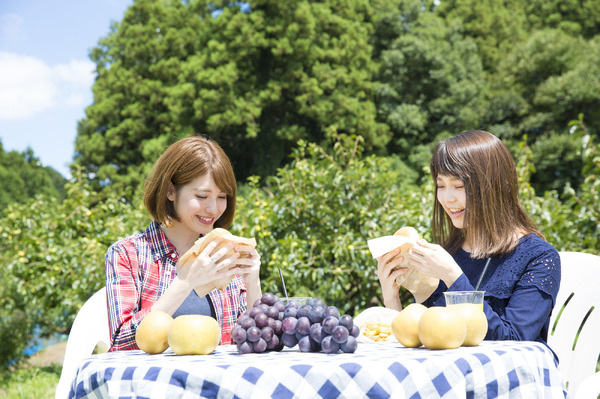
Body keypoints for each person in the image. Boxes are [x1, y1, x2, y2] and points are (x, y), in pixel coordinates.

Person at [377, 130, 561, 347]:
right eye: (441, 185)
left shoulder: (538, 257)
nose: (447, 198)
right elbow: (426, 342)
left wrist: (453, 277)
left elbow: (515, 341)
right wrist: (392, 299)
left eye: (459, 186)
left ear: (493, 187)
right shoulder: (446, 253)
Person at [105, 135, 262, 351]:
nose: (214, 209)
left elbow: (256, 342)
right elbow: (121, 343)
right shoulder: (128, 254)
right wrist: (185, 282)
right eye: (202, 196)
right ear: (170, 191)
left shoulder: (224, 252)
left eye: (222, 197)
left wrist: (253, 282)